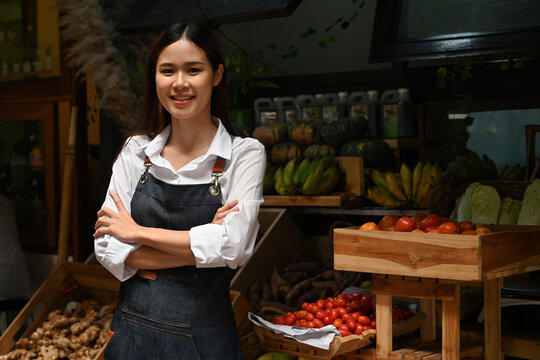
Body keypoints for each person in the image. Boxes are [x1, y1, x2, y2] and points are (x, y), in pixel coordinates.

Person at [93, 22, 265, 359]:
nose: (180, 83)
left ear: (216, 75)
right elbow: (106, 246)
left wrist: (138, 232)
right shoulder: (136, 152)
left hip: (205, 343)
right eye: (167, 70)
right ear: (154, 77)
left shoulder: (244, 154)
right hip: (130, 339)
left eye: (193, 69)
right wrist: (202, 248)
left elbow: (236, 247)